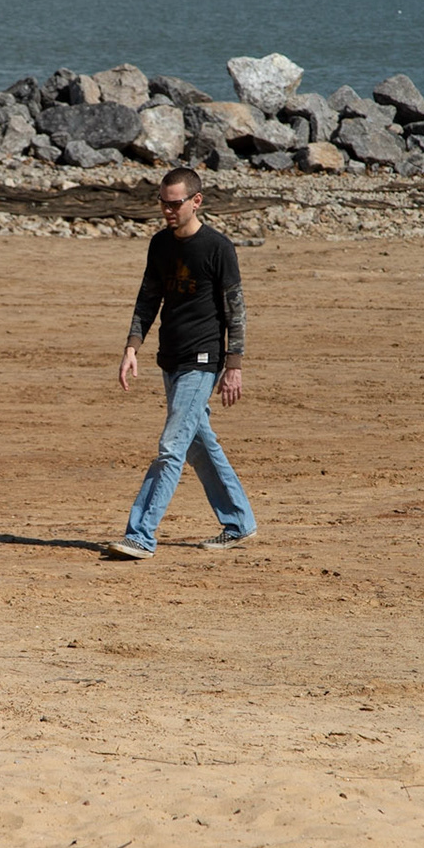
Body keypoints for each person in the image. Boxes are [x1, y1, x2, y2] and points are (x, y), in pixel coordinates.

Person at [106, 167, 257, 559]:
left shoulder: (218, 248)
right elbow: (147, 297)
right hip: (170, 359)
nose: (168, 210)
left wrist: (234, 364)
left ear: (196, 201)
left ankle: (140, 535)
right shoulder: (160, 245)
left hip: (204, 359)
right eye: (163, 203)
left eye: (175, 203)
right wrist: (132, 346)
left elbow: (235, 310)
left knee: (171, 447)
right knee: (197, 444)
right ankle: (240, 522)